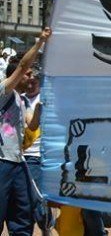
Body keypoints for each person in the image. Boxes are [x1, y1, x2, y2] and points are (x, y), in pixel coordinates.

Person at [0, 28, 50, 235]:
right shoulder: (3, 91)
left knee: (23, 212)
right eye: (27, 74)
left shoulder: (22, 101)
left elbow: (32, 126)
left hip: (19, 163)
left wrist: (40, 108)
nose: (31, 77)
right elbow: (22, 66)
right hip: (2, 162)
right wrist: (40, 43)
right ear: (15, 76)